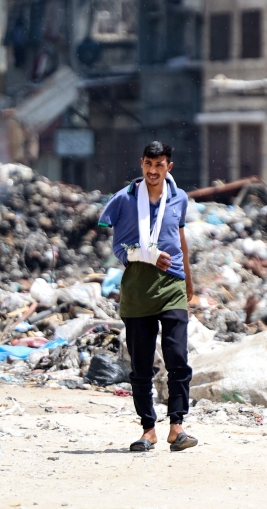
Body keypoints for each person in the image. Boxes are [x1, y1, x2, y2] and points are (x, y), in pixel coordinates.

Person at [98, 141, 198, 452]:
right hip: (137, 293)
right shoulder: (124, 199)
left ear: (169, 167)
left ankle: (177, 426)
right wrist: (146, 254)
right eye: (148, 164)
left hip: (172, 289)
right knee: (141, 365)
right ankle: (148, 429)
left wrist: (189, 283)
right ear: (142, 164)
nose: (153, 171)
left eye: (159, 165)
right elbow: (117, 248)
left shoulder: (179, 198)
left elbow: (179, 239)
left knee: (177, 359)